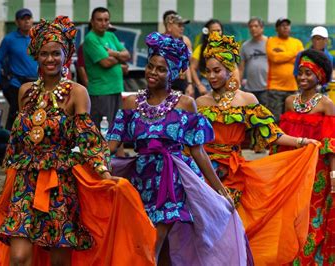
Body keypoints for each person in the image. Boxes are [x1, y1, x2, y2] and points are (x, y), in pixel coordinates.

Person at [0, 16, 156, 266]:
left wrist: (103, 174)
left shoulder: (77, 93)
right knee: (18, 257)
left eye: (56, 53)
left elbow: (89, 139)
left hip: (60, 183)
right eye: (45, 53)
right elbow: (17, 144)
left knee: (59, 259)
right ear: (36, 55)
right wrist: (5, 189)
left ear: (65, 55)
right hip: (25, 180)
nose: (50, 59)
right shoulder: (26, 91)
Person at [107, 32, 250, 264]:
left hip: (173, 182)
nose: (153, 73)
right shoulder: (131, 102)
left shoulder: (184, 104)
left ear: (172, 73)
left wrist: (220, 191)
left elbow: (198, 152)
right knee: (157, 246)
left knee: (154, 238)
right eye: (150, 66)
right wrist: (94, 162)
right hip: (141, 180)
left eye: (161, 69)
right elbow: (112, 144)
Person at [196, 31, 320, 265]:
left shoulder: (247, 100)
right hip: (202, 172)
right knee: (203, 226)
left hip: (232, 173)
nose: (211, 76)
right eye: (208, 71)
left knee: (228, 224)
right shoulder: (200, 103)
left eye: (217, 70)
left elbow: (272, 134)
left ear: (230, 70)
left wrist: (302, 142)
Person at [277, 49, 335, 265]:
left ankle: (310, 260)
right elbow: (281, 139)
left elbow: (331, 145)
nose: (302, 77)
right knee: (292, 216)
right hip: (292, 171)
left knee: (314, 216)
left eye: (308, 73)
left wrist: (333, 176)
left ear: (319, 76)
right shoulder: (290, 101)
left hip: (317, 173)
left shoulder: (326, 104)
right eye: (300, 72)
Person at [83, 7, 131, 127]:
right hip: (101, 92)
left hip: (116, 89)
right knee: (104, 130)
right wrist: (120, 58)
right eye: (99, 20)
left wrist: (114, 54)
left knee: (117, 129)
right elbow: (105, 62)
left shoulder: (111, 36)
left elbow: (128, 55)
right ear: (92, 21)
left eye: (106, 20)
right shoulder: (90, 39)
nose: (103, 23)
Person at [0, 8, 38, 130]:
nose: (26, 21)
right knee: (16, 113)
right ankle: (9, 142)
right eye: (23, 19)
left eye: (29, 18)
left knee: (36, 115)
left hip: (36, 83)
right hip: (16, 83)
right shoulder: (9, 39)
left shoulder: (38, 37)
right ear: (17, 22)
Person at [266, 17, 304, 122]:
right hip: (275, 88)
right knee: (275, 119)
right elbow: (275, 58)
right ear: (277, 28)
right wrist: (294, 54)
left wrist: (284, 56)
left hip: (293, 87)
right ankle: (276, 139)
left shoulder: (297, 42)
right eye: (282, 25)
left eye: (287, 25)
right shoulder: (271, 41)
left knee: (292, 119)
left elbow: (300, 60)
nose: (285, 27)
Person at [162, 10, 194, 96]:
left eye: (183, 25)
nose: (182, 28)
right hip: (164, 85)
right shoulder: (159, 42)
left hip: (181, 85)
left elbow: (188, 64)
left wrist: (190, 84)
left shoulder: (185, 41)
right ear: (169, 26)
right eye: (179, 25)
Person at [239, 17, 268, 106]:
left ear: (262, 28)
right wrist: (238, 85)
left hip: (267, 88)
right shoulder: (245, 46)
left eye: (256, 26)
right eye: (251, 26)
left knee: (267, 115)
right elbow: (241, 68)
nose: (253, 28)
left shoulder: (270, 42)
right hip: (250, 88)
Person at [190, 19, 223, 96]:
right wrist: (199, 85)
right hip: (206, 84)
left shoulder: (227, 49)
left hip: (223, 85)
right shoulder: (200, 48)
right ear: (207, 32)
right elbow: (192, 68)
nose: (216, 33)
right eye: (213, 31)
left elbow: (233, 69)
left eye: (218, 31)